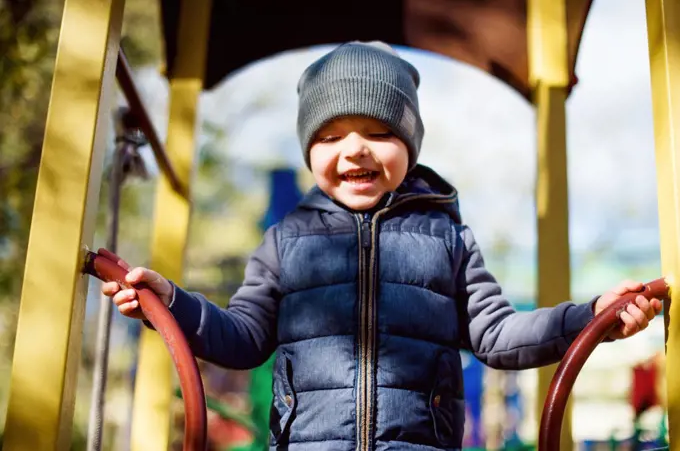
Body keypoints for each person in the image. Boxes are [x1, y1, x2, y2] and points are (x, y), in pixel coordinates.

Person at [103, 42, 662, 450]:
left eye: (378, 132)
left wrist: (589, 317)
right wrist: (172, 304)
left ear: (410, 144)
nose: (354, 151)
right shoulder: (286, 241)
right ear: (309, 149)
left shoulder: (448, 238)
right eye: (329, 136)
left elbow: (497, 335)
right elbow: (244, 336)